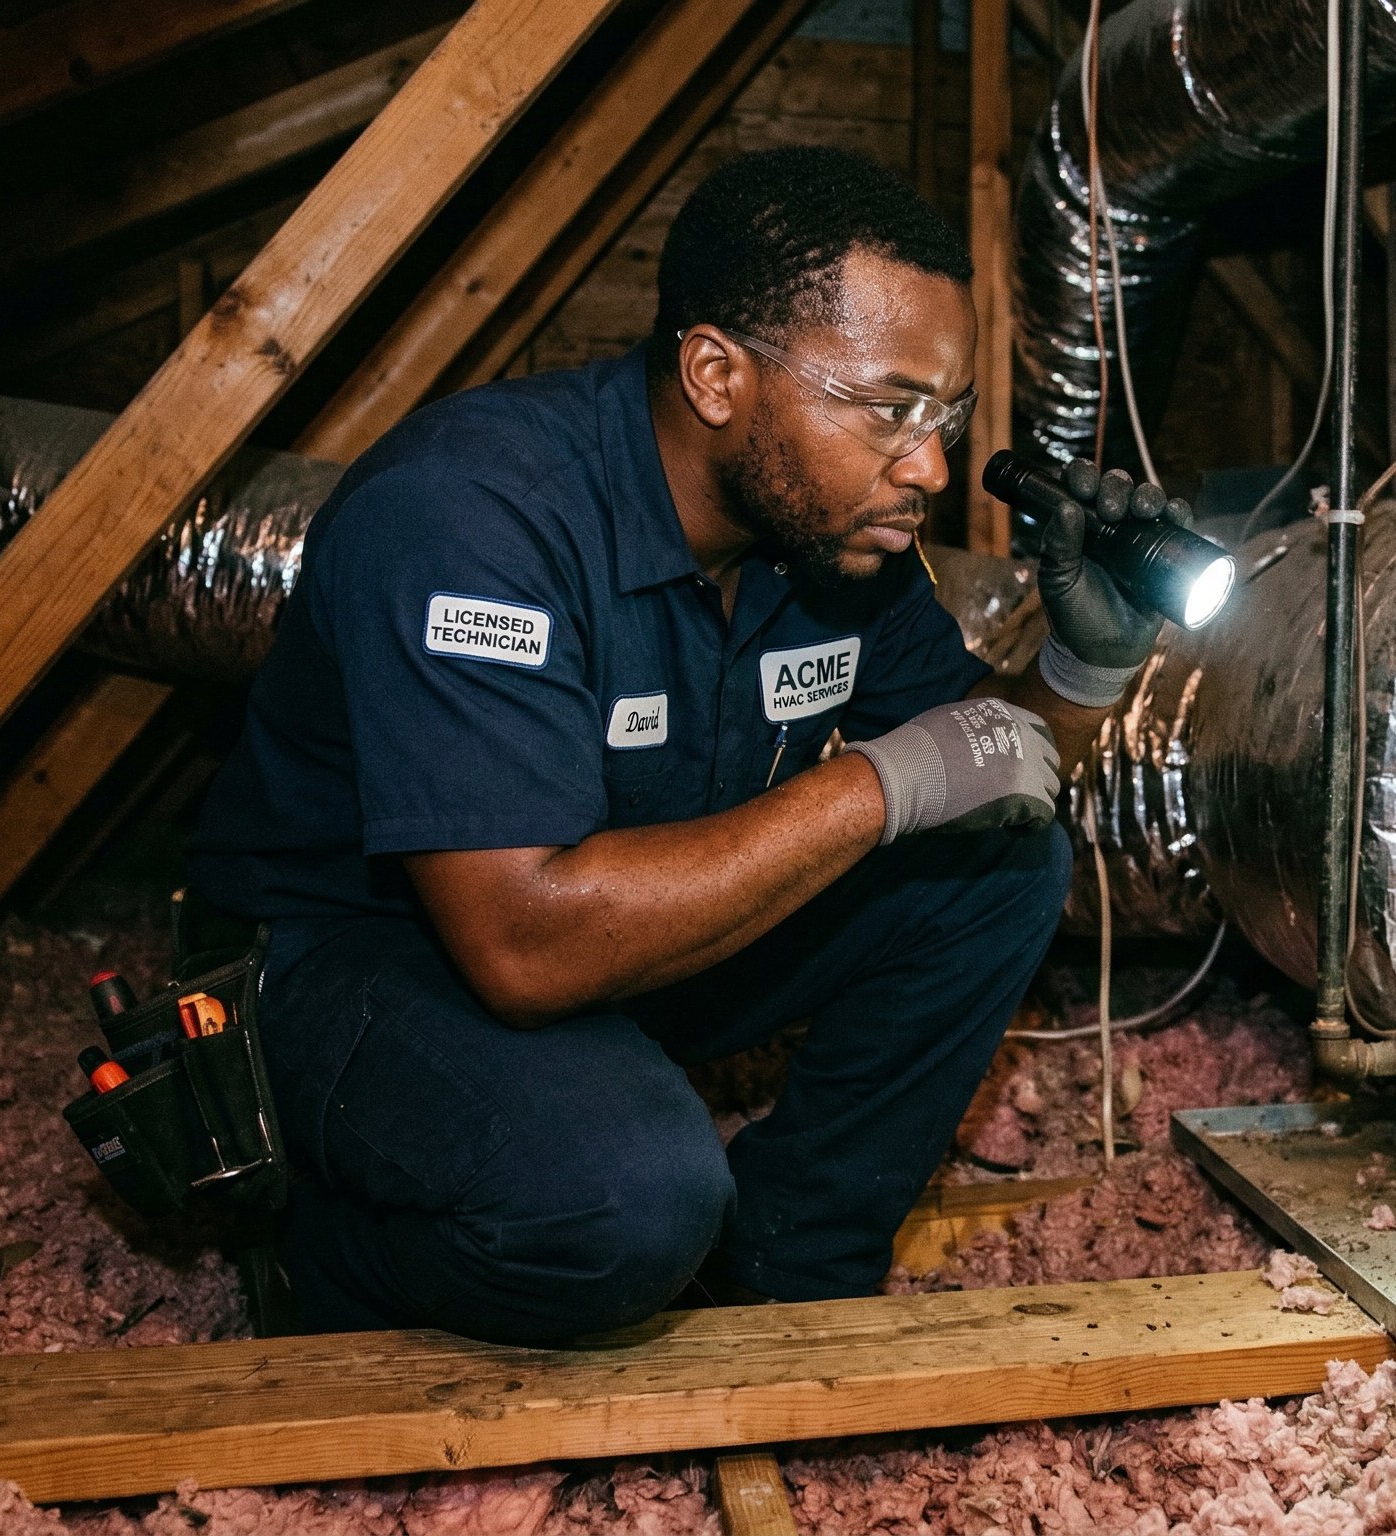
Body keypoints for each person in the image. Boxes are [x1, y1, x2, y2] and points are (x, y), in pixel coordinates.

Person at [185, 145, 1191, 1343]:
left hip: (626, 920)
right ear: (715, 373)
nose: (925, 467)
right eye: (887, 408)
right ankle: (320, 1262)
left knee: (1001, 862)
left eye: (946, 417)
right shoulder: (473, 516)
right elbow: (522, 948)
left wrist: (1085, 668)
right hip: (354, 959)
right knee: (624, 1202)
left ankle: (781, 1278)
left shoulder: (826, 533)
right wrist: (881, 784)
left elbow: (985, 764)